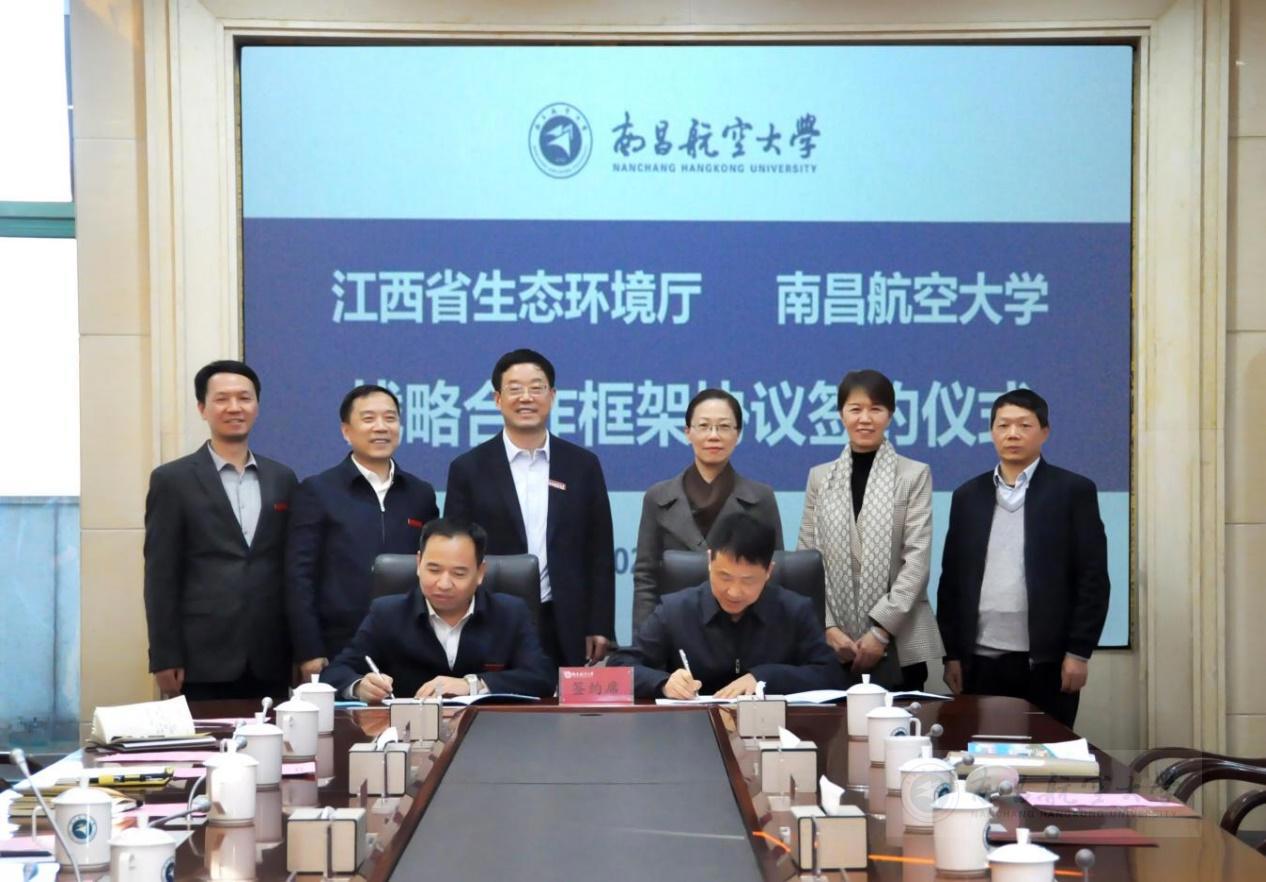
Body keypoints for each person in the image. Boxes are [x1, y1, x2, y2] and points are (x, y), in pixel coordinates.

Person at [935, 388, 1109, 728]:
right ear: (992, 432)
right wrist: (951, 654)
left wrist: (1079, 652)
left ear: (1044, 432)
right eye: (1003, 425)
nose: (1012, 434)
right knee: (981, 752)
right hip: (979, 661)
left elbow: (1093, 578)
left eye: (1024, 425)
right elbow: (951, 580)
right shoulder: (968, 496)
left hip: (1047, 663)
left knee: (1046, 753)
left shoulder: (1073, 491)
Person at [444, 349, 615, 666]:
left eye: (537, 388)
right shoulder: (468, 469)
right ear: (497, 399)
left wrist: (600, 624)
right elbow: (455, 552)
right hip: (492, 619)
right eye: (515, 389)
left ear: (552, 396)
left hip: (566, 621)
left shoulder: (582, 465)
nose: (526, 397)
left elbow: (599, 552)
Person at [143, 360, 298, 701]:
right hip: (200, 658)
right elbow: (160, 575)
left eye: (244, 398)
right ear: (202, 408)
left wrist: (299, 650)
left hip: (271, 655)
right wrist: (164, 655)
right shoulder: (172, 480)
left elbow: (291, 568)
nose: (234, 407)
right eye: (222, 399)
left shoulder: (282, 478)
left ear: (257, 406)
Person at [796, 369, 943, 691]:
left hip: (898, 641)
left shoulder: (914, 475)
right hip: (833, 645)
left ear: (889, 414)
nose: (865, 418)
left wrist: (880, 631)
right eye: (855, 409)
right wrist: (828, 627)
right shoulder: (820, 478)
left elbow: (916, 562)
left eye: (875, 409)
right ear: (841, 414)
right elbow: (806, 561)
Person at [285, 384, 439, 678]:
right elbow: (299, 576)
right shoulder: (318, 490)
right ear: (346, 431)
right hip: (339, 645)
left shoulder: (420, 494)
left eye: (390, 418)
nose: (381, 427)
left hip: (409, 643)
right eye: (368, 419)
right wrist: (309, 649)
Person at [612, 512, 843, 699]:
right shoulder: (675, 611)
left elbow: (832, 675)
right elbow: (619, 668)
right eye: (724, 577)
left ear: (768, 572)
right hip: (691, 730)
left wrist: (764, 677)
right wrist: (663, 683)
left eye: (748, 580)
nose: (734, 592)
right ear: (709, 561)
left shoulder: (794, 611)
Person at [321, 518, 555, 701]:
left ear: (480, 573)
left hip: (489, 733)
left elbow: (541, 677)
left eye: (459, 573)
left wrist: (472, 685)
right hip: (407, 734)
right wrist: (359, 687)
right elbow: (334, 674)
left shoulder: (509, 613)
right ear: (418, 564)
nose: (444, 584)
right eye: (433, 570)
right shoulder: (387, 613)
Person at [632, 388, 782, 635]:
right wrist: (645, 641)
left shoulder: (761, 498)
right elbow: (646, 578)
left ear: (738, 434)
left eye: (724, 427)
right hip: (675, 629)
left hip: (742, 631)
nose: (714, 436)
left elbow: (773, 576)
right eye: (704, 426)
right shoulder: (658, 497)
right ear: (687, 432)